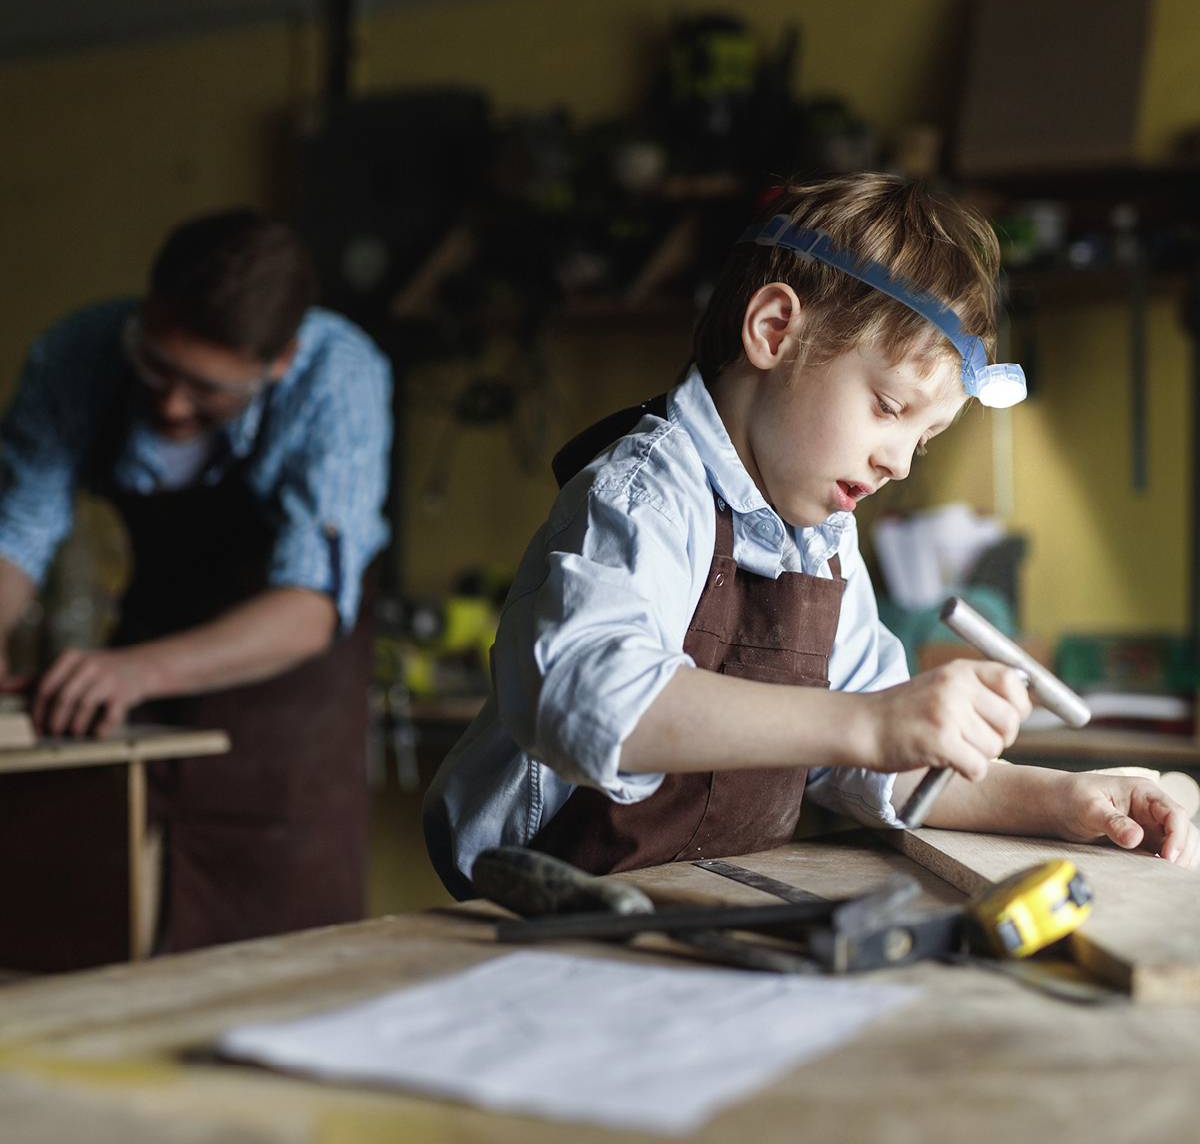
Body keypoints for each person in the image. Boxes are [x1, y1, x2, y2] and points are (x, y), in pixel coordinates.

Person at [424, 173, 1199, 898]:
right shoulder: (645, 492)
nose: (898, 461)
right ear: (772, 329)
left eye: (923, 441)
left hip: (690, 911)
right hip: (533, 918)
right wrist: (870, 721)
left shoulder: (823, 538)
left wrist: (1064, 799)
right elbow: (584, 697)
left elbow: (874, 766)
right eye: (890, 408)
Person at [0, 208, 393, 949]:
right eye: (157, 368)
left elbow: (309, 606)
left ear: (277, 363)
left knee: (276, 955)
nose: (172, 405)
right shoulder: (78, 352)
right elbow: (16, 532)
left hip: (289, 711)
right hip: (144, 676)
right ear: (147, 312)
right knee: (82, 928)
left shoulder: (339, 377)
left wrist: (135, 671)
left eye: (207, 389)